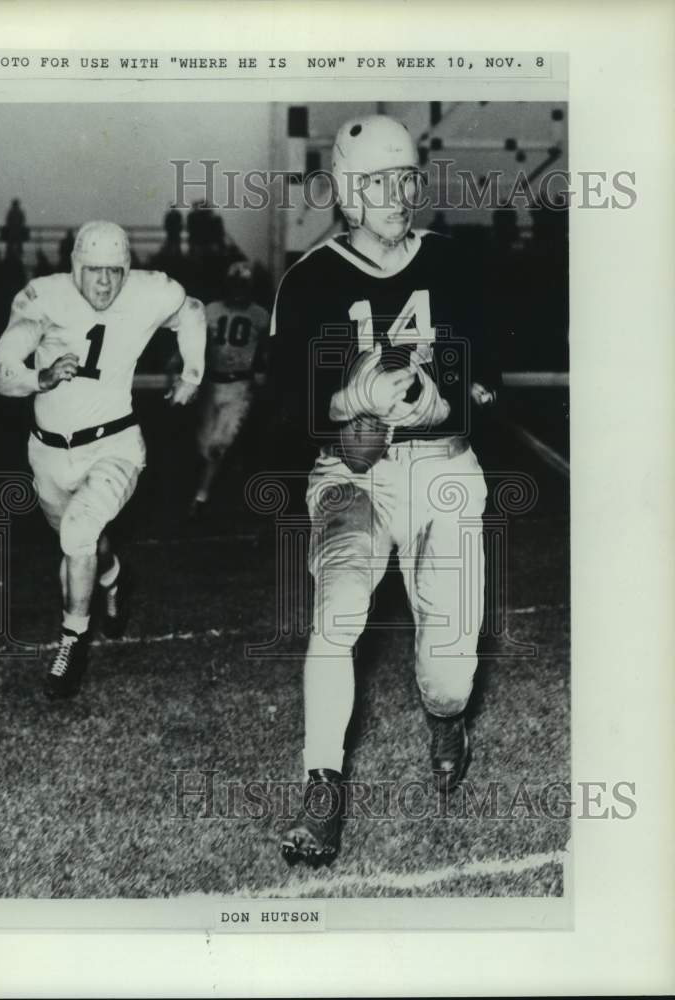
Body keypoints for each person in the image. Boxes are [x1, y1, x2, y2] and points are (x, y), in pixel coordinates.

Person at [271, 115, 499, 864]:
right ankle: (322, 789)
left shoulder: (456, 262)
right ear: (342, 189)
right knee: (336, 613)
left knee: (451, 668)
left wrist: (438, 402)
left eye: (405, 177)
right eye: (375, 180)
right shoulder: (308, 281)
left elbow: (489, 385)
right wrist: (342, 417)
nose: (397, 193)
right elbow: (279, 412)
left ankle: (445, 717)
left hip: (444, 469)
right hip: (352, 476)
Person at [0, 220, 206, 698]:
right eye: (94, 271)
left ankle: (73, 640)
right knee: (83, 546)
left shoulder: (149, 291)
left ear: (127, 269)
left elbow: (192, 311)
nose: (104, 282)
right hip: (48, 451)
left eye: (115, 271)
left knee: (78, 533)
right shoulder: (43, 298)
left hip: (116, 444)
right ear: (75, 268)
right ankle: (114, 577)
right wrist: (38, 379)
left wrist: (192, 371)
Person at [189, 261, 270, 517]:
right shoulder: (211, 310)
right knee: (203, 447)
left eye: (243, 286)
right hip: (211, 385)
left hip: (239, 386)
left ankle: (201, 498)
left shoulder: (260, 315)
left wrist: (262, 369)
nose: (238, 291)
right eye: (234, 285)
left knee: (217, 446)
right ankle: (222, 475)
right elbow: (195, 341)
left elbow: (267, 349)